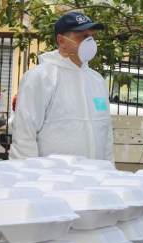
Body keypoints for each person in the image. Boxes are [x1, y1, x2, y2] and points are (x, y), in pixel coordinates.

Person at [10, 12, 113, 162]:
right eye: (83, 37)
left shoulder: (97, 81)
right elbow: (24, 133)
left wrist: (109, 172)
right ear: (62, 40)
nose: (90, 42)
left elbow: (106, 135)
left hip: (93, 176)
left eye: (92, 37)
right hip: (53, 179)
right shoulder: (41, 77)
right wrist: (27, 175)